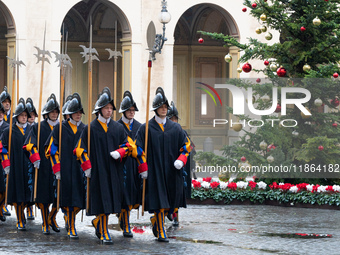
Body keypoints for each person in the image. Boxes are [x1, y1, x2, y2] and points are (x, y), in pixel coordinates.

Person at [74, 87, 130, 244]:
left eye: (111, 108)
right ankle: (104, 231)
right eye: (106, 108)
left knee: (111, 201)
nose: (110, 111)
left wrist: (120, 152)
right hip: (98, 170)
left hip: (114, 170)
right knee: (102, 201)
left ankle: (99, 224)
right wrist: (86, 166)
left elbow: (127, 145)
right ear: (100, 110)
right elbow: (80, 149)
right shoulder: (90, 128)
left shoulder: (118, 128)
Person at [134, 87, 191, 242]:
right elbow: (138, 149)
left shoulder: (176, 128)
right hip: (155, 170)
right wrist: (143, 167)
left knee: (170, 203)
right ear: (155, 109)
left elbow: (186, 147)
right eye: (161, 107)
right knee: (159, 201)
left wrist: (181, 159)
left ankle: (157, 221)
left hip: (172, 171)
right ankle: (160, 230)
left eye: (166, 107)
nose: (164, 109)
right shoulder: (146, 128)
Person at [45, 93, 86, 239]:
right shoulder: (60, 129)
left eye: (80, 112)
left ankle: (70, 220)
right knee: (67, 199)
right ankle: (71, 226)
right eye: (75, 112)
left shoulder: (85, 129)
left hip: (80, 170)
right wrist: (56, 169)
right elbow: (51, 149)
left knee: (79, 200)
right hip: (65, 169)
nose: (78, 115)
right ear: (69, 113)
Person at [24, 94, 60, 234]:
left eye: (56, 112)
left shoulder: (61, 127)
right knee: (44, 197)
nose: (54, 114)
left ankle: (52, 217)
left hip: (58, 166)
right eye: (52, 112)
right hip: (43, 166)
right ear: (47, 113)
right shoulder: (38, 127)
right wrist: (35, 158)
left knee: (58, 196)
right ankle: (45, 222)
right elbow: (29, 145)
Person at [0, 98, 32, 230]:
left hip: (28, 167)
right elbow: (2, 148)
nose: (24, 118)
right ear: (17, 117)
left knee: (27, 194)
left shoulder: (32, 129)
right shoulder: (9, 131)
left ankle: (23, 213)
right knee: (18, 194)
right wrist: (6, 164)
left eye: (25, 115)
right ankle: (19, 218)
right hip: (15, 166)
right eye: (22, 115)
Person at [166, 101, 196, 226]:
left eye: (175, 118)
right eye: (171, 118)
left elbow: (190, 149)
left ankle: (176, 215)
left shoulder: (181, 132)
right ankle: (166, 212)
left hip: (179, 168)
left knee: (178, 192)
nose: (173, 120)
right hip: (167, 167)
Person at [117, 91, 142, 238]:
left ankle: (124, 216)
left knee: (133, 193)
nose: (131, 113)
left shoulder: (139, 126)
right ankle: (126, 224)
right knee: (124, 194)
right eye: (129, 110)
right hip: (122, 165)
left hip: (135, 164)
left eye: (133, 110)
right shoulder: (116, 126)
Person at [25, 97, 38, 221]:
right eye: (30, 115)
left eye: (34, 114)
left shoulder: (36, 128)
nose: (32, 116)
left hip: (33, 161)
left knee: (31, 185)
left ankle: (30, 208)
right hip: (23, 159)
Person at [0, 86, 11, 217]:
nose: (7, 103)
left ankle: (3, 205)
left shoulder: (11, 120)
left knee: (4, 185)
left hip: (5, 156)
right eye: (4, 101)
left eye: (8, 101)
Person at [0, 103, 9, 222]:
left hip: (4, 160)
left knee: (4, 188)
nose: (0, 115)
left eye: (2, 113)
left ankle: (1, 206)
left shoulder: (8, 127)